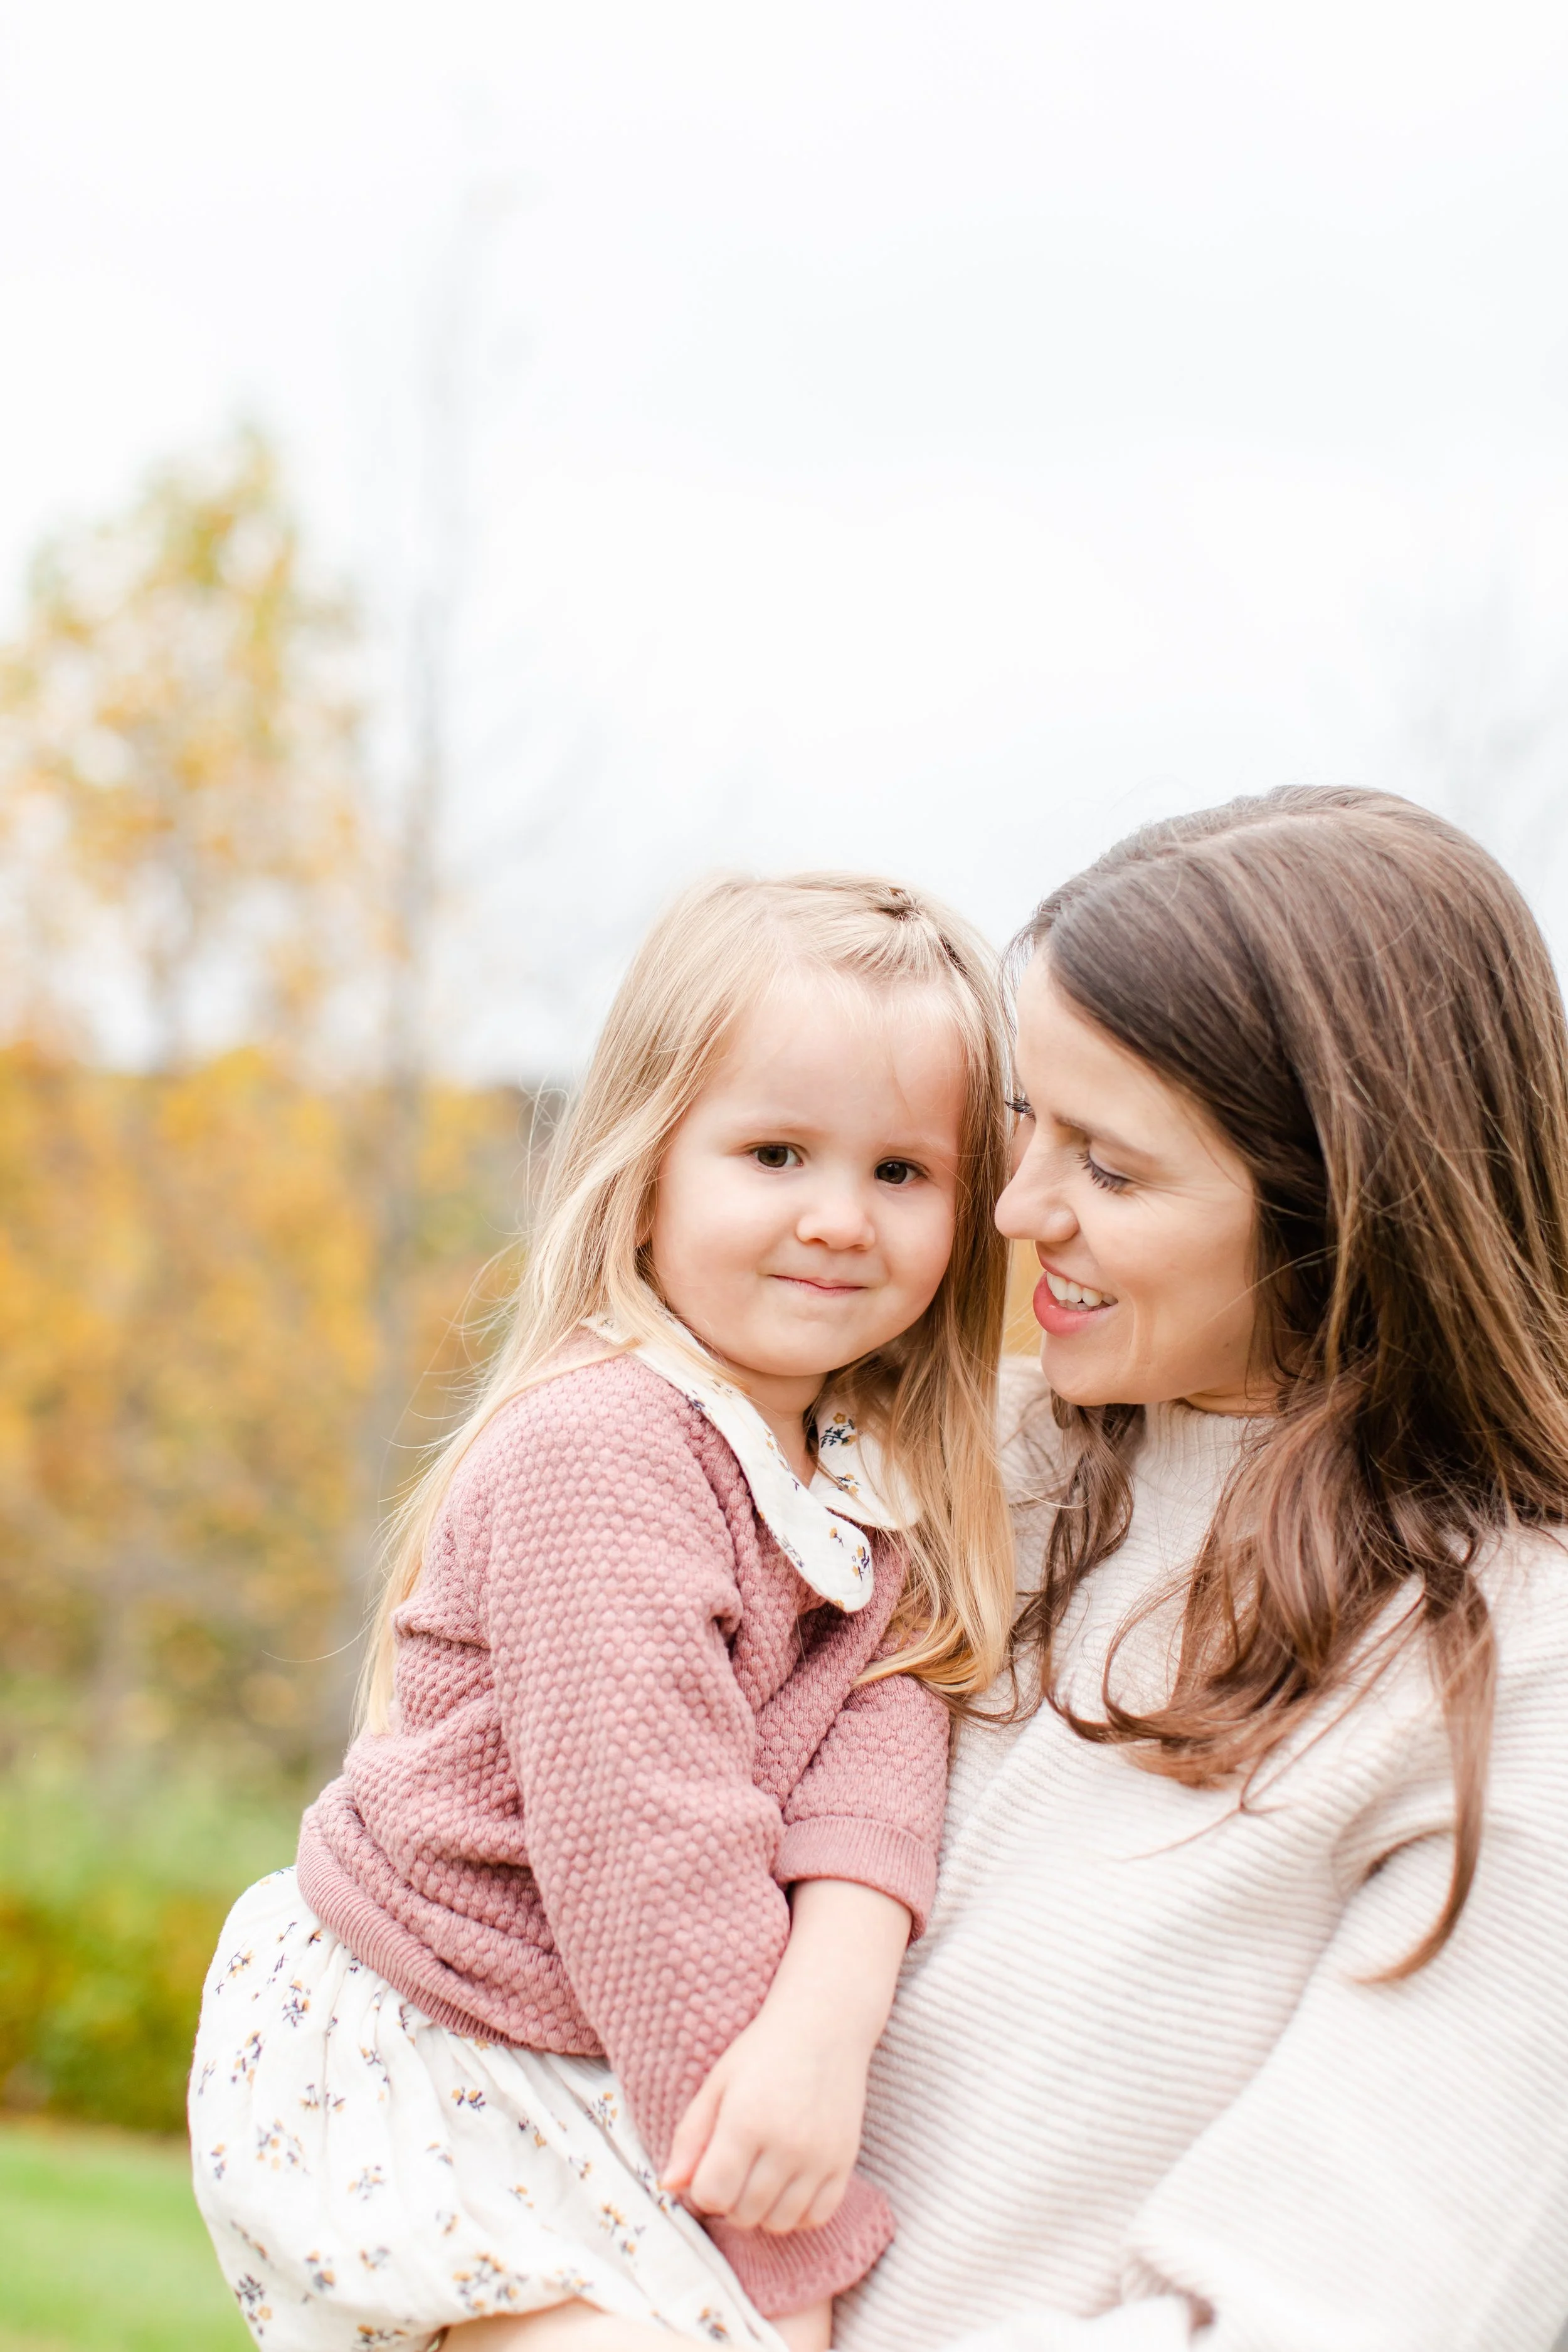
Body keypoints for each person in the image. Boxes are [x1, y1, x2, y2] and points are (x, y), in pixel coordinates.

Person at [188, 873, 1017, 2352]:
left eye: (901, 1172)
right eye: (775, 1153)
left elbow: (886, 1734)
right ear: (646, 1172)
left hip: (625, 2046)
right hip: (444, 2036)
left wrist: (826, 2027)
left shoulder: (860, 1474)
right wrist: (790, 2243)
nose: (839, 1219)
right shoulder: (604, 1451)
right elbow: (649, 1849)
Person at [834, 787, 1568, 2350]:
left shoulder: (1511, 1666)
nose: (1017, 1213)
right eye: (1029, 1124)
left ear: (1336, 1208)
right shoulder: (946, 1484)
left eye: (1106, 1167)